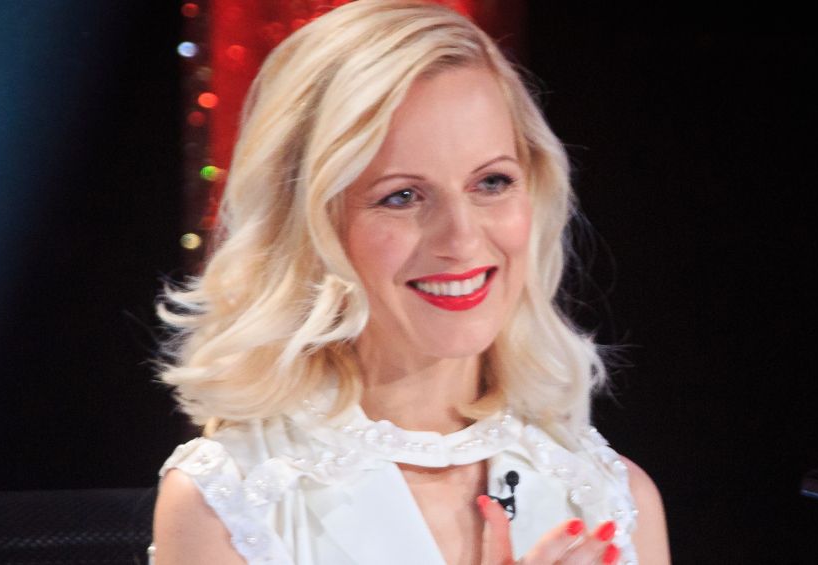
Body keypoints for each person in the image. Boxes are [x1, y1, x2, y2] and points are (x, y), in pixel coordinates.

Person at [151, 1, 670, 563]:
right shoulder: (226, 502)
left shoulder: (610, 500)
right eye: (402, 196)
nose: (462, 239)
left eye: (491, 182)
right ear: (308, 225)